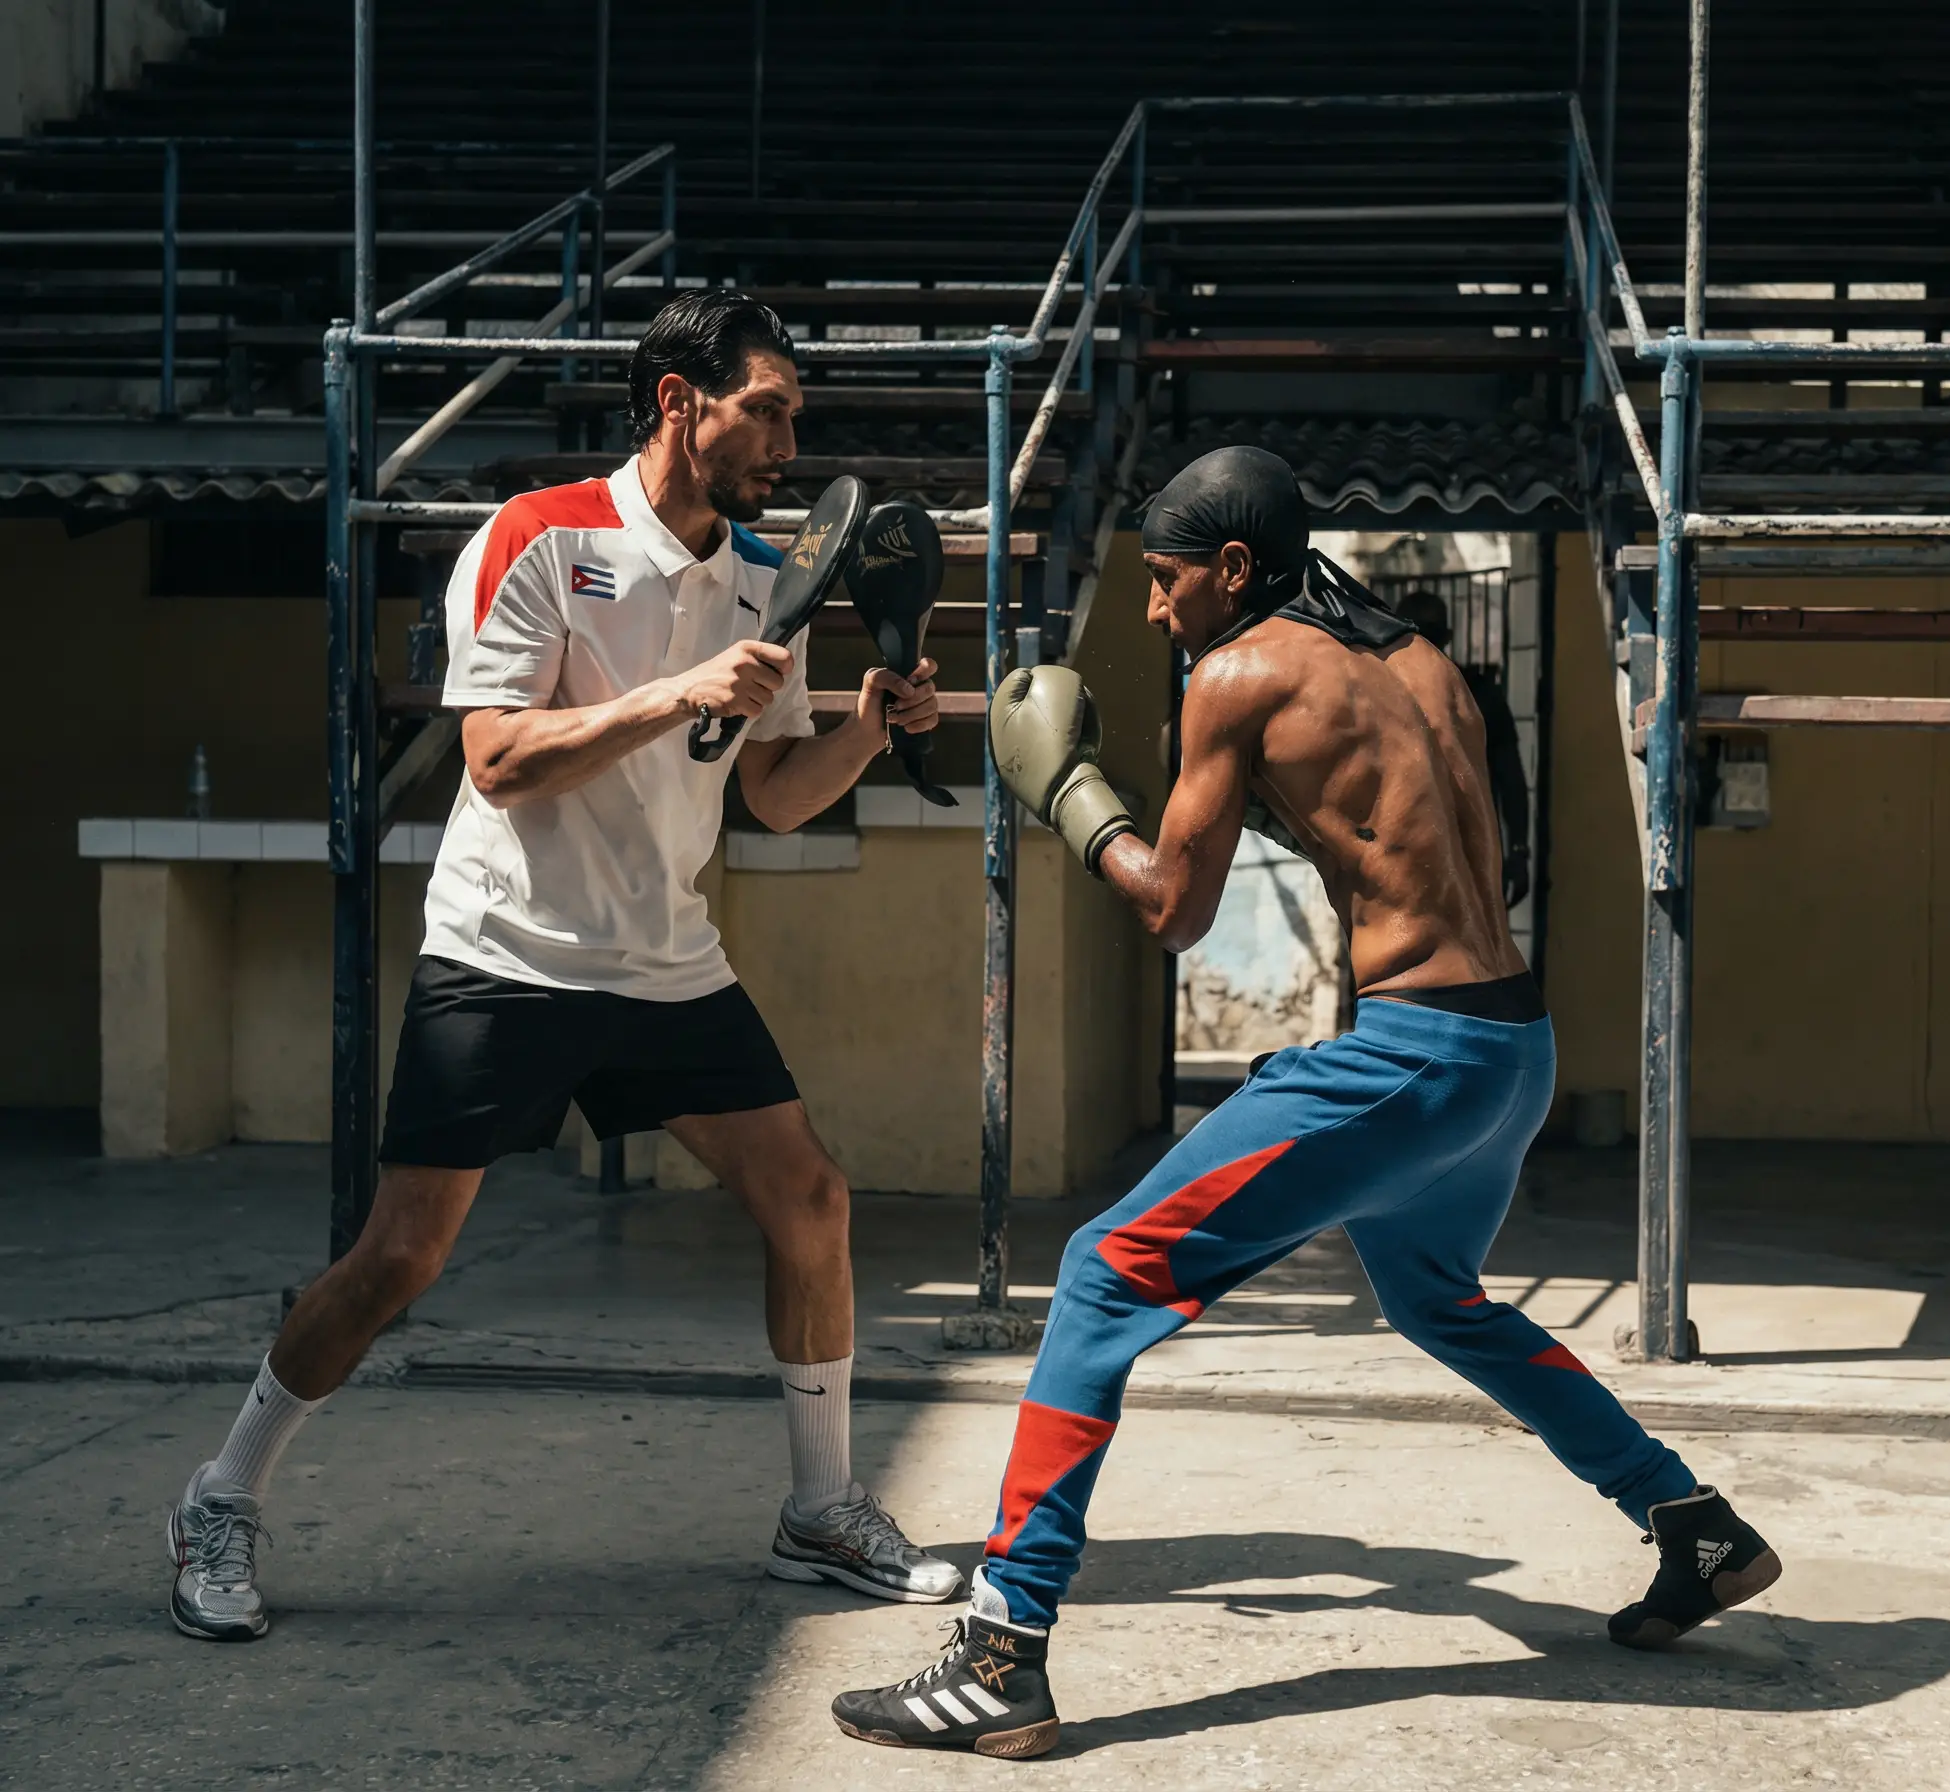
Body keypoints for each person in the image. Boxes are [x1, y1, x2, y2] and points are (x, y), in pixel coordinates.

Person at [831, 446, 1780, 1759]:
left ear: (1232, 569)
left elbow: (1174, 911)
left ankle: (1002, 1655)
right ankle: (1695, 1527)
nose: (1154, 607)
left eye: (1167, 581)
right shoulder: (1421, 657)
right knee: (1438, 1299)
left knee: (1104, 1271)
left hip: (1416, 1057)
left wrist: (1074, 797)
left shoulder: (1237, 676)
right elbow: (1401, 835)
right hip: (1513, 1049)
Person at [167, 290, 964, 1642]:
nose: (788, 441)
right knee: (399, 1256)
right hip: (508, 954)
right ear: (679, 403)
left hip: (665, 961)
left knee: (811, 1198)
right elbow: (495, 758)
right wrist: (674, 694)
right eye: (766, 409)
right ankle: (220, 1494)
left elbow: (772, 796)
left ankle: (821, 1507)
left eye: (796, 415)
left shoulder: (768, 577)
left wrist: (870, 729)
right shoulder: (537, 537)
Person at [1392, 588, 1532, 909]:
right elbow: (1511, 779)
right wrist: (1518, 850)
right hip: (1462, 854)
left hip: (1411, 854)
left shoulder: (1380, 695)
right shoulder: (1479, 693)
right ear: (1448, 636)